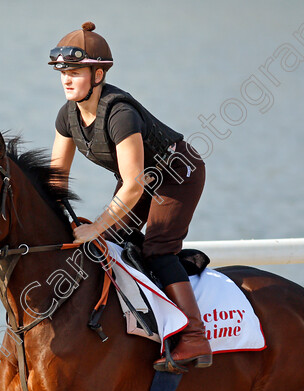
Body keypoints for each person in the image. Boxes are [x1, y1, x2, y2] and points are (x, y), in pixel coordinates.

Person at [48, 22, 211, 371]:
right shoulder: (67, 116)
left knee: (157, 247)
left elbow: (133, 185)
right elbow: (56, 180)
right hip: (140, 180)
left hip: (178, 175)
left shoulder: (120, 114)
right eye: (63, 72)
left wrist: (95, 227)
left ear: (98, 74)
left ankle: (195, 336)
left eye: (75, 72)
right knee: (110, 244)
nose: (66, 79)